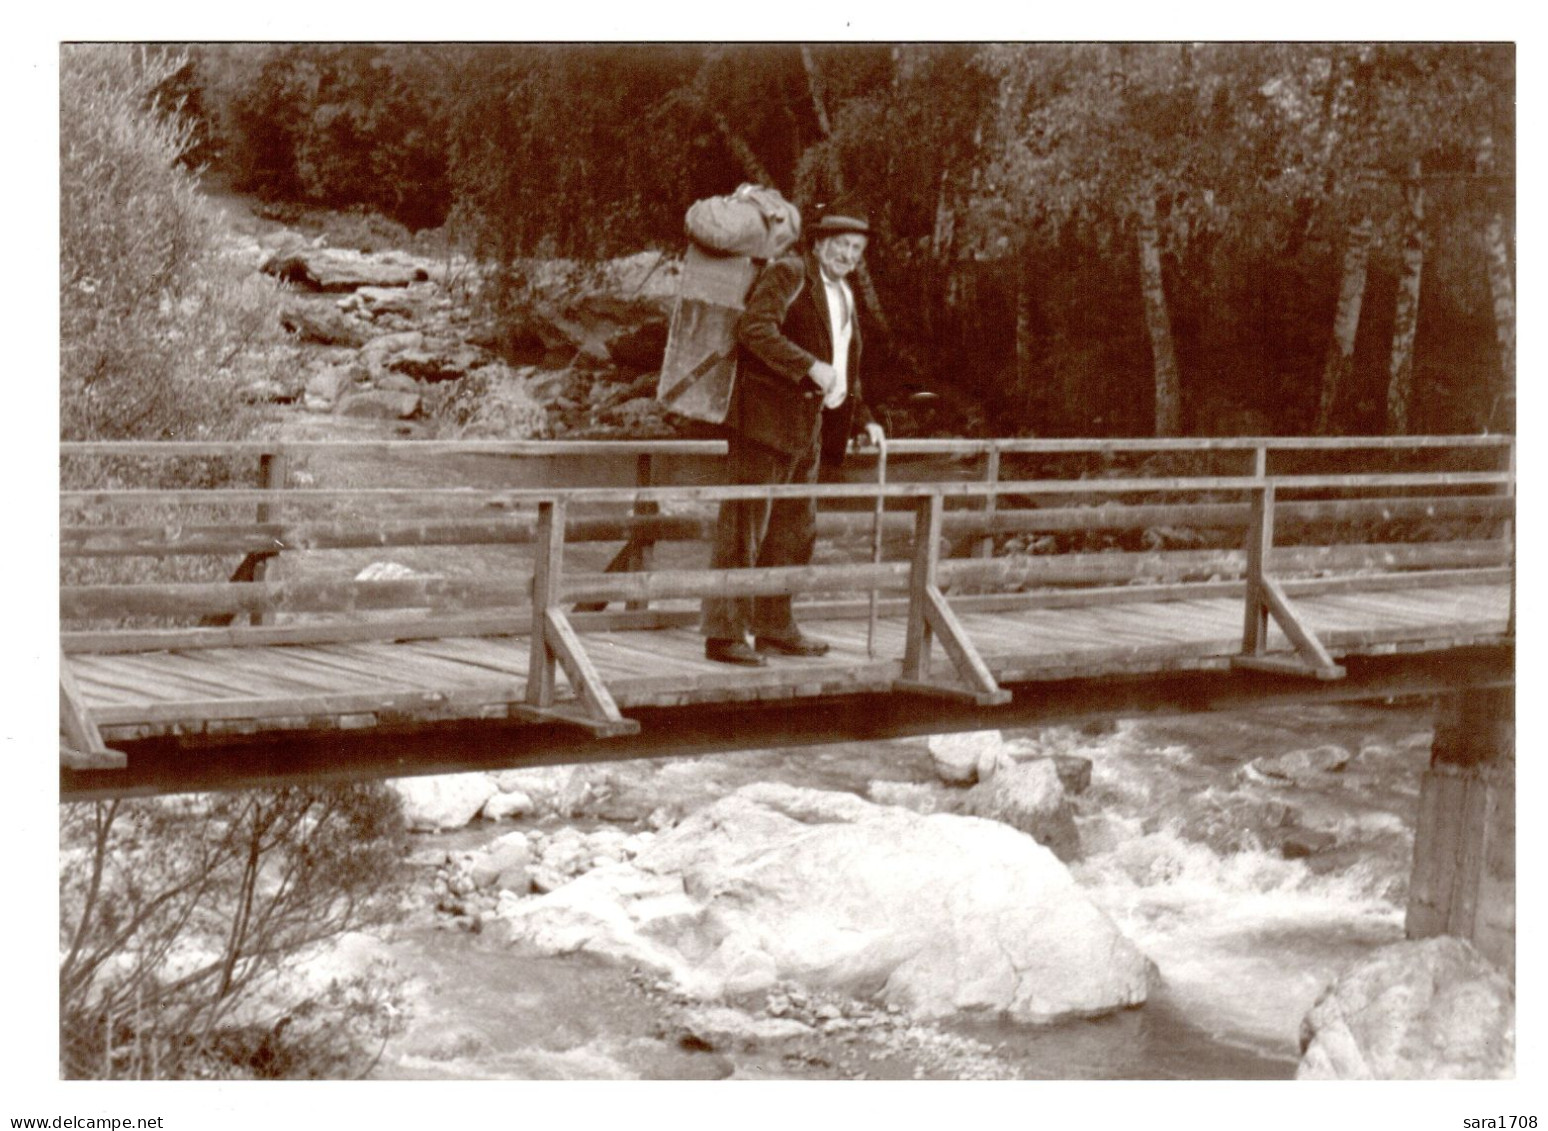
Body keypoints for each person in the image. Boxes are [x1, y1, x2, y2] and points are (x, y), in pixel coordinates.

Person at [701, 198, 887, 666]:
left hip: (811, 426)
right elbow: (754, 329)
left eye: (857, 250)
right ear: (821, 244)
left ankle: (773, 626)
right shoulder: (790, 273)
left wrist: (864, 418)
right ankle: (723, 634)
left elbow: (843, 364)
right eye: (842, 246)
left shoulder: (844, 294)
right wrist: (807, 367)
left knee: (793, 530)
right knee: (743, 526)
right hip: (765, 421)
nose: (849, 256)